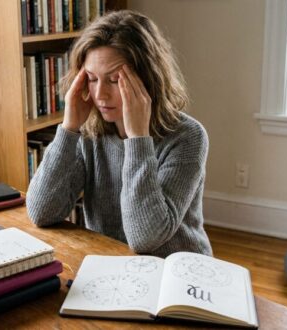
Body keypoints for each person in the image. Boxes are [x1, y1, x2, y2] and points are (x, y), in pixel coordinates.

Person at [26, 10, 212, 258]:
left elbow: (145, 238)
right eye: (91, 79)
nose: (100, 95)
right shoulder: (90, 132)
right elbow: (41, 212)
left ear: (148, 80)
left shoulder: (188, 137)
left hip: (177, 272)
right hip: (113, 266)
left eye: (114, 80)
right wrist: (68, 129)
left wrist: (138, 139)